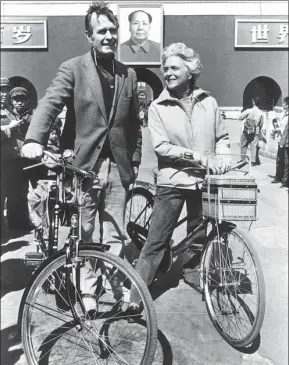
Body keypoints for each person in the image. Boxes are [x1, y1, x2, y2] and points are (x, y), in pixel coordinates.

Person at [21, 1, 142, 311]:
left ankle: (117, 289)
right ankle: (88, 292)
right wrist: (34, 138)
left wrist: (135, 162)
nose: (109, 36)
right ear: (90, 35)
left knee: (116, 232)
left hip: (117, 168)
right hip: (83, 168)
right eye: (102, 30)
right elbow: (49, 103)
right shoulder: (73, 68)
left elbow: (133, 126)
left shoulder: (127, 74)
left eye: (113, 30)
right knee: (85, 232)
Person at [129, 42, 231, 310]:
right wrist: (197, 156)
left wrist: (221, 155)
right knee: (157, 241)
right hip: (172, 181)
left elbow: (222, 137)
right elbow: (161, 147)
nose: (168, 73)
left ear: (191, 70)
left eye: (175, 67)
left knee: (197, 233)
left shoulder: (209, 102)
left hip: (204, 181)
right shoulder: (158, 107)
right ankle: (135, 296)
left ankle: (191, 271)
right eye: (165, 69)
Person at [1, 81, 32, 236]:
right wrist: (8, 128)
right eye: (1, 90)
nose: (4, 94)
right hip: (3, 160)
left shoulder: (9, 111)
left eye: (6, 90)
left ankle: (17, 225)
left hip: (13, 159)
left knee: (17, 192)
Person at [239, 97, 265, 166]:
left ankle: (243, 160)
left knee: (243, 145)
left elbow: (240, 117)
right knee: (253, 146)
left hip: (247, 130)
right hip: (255, 131)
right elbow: (261, 124)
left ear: (253, 102)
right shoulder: (261, 113)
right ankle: (253, 162)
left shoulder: (249, 110)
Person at [271, 96, 289, 186]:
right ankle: (278, 177)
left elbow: (286, 129)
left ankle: (285, 180)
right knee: (279, 159)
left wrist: (279, 130)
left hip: (285, 140)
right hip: (280, 139)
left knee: (286, 161)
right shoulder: (283, 113)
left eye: (284, 103)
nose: (283, 105)